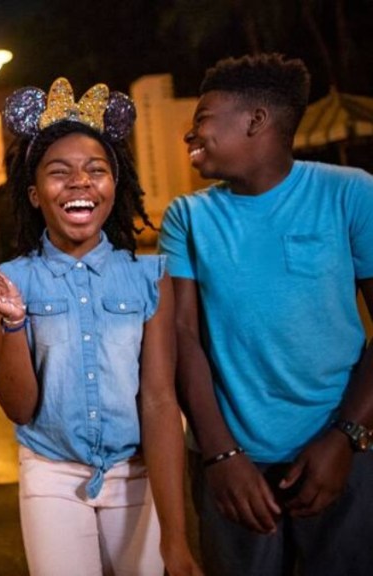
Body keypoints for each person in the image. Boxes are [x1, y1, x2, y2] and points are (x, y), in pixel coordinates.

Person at [0, 78, 201, 576]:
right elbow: (19, 406)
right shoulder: (10, 282)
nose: (80, 182)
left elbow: (162, 402)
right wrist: (13, 322)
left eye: (96, 171)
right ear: (35, 195)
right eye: (60, 173)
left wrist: (177, 540)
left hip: (137, 474)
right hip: (51, 475)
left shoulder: (152, 277)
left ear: (113, 188)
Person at [159, 53, 373, 575]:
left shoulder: (350, 193)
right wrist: (220, 455)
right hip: (232, 463)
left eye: (202, 119)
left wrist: (347, 436)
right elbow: (184, 337)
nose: (190, 135)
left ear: (255, 120)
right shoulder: (187, 217)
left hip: (341, 453)